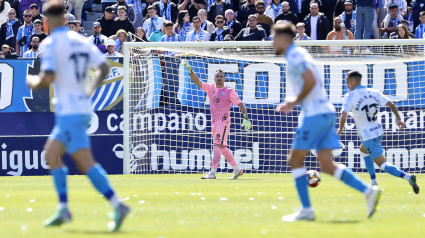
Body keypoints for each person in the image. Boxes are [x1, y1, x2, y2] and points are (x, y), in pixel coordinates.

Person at [26, 0, 130, 231]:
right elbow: (103, 67)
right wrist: (90, 90)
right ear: (65, 18)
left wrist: (32, 80)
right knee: (52, 155)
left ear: (47, 20)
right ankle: (63, 208)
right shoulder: (81, 41)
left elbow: (48, 77)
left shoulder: (52, 43)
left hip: (70, 111)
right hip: (77, 109)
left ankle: (117, 204)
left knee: (85, 163)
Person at [272, 22, 380, 221]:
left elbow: (311, 80)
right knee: (327, 165)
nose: (272, 43)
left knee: (295, 160)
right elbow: (311, 84)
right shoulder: (298, 54)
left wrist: (295, 101)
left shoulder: (295, 55)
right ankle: (368, 191)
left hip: (315, 115)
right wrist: (292, 101)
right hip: (326, 112)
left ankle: (306, 210)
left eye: (274, 38)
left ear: (283, 39)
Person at [337, 70, 419, 194]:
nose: (347, 85)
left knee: (383, 164)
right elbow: (391, 104)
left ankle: (408, 177)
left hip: (368, 135)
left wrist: (340, 130)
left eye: (347, 82)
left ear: (354, 81)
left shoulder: (351, 96)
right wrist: (399, 119)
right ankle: (373, 182)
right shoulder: (373, 92)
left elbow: (343, 116)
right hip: (378, 130)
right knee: (363, 150)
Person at [183, 62, 252, 180]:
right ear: (214, 78)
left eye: (221, 76)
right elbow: (197, 81)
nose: (219, 78)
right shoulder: (210, 88)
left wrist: (246, 118)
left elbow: (240, 104)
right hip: (214, 123)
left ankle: (212, 173)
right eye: (217, 76)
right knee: (223, 147)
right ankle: (237, 169)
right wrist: (190, 70)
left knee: (216, 145)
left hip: (223, 123)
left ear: (224, 78)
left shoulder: (229, 91)